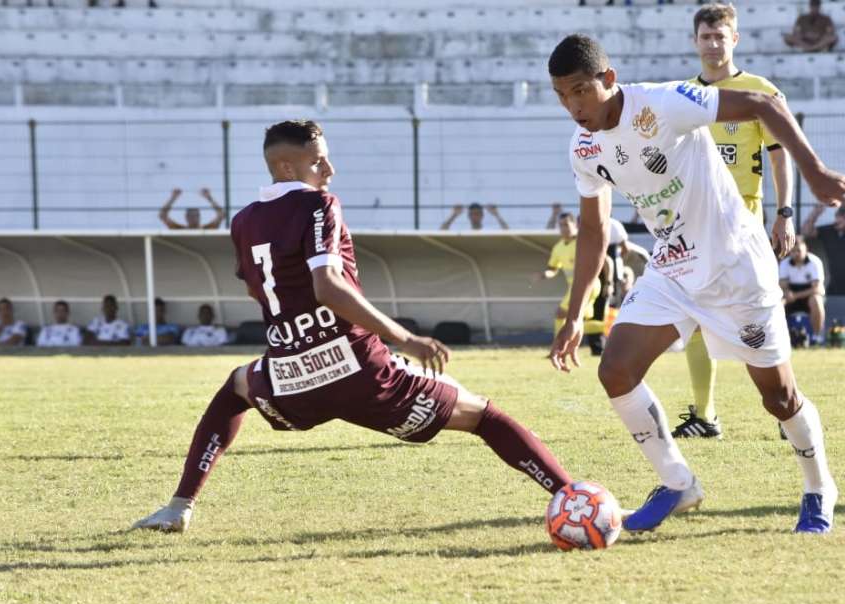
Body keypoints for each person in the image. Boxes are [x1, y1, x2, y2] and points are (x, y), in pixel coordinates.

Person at [132, 119, 575, 533]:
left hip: (291, 374)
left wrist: (295, 327)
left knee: (235, 389)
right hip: (361, 371)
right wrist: (404, 337)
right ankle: (572, 499)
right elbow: (327, 285)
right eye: (318, 160)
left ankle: (179, 507)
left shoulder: (243, 220)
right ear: (287, 166)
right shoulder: (318, 203)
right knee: (485, 416)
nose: (330, 168)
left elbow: (254, 287)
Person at [547, 34, 845, 533]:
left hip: (736, 268)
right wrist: (575, 313)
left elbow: (764, 103)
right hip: (672, 270)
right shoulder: (584, 147)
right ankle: (680, 483)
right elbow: (592, 229)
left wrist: (815, 172)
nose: (572, 106)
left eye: (579, 91)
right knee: (615, 370)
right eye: (561, 96)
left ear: (608, 80)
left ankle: (819, 486)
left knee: (779, 398)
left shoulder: (665, 103)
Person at [671, 3, 798, 440]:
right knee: (692, 316)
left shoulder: (759, 91)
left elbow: (781, 157)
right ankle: (705, 416)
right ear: (695, 41)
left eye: (719, 36)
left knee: (758, 318)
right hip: (694, 227)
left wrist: (784, 213)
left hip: (744, 223)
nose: (712, 44)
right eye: (705, 36)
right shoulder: (681, 95)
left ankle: (788, 410)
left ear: (734, 39)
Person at [531, 210, 608, 354]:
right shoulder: (558, 247)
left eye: (566, 224)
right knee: (579, 318)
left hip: (588, 285)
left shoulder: (583, 242)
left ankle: (558, 347)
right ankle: (609, 330)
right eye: (560, 225)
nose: (563, 228)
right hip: (574, 287)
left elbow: (606, 261)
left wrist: (608, 283)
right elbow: (553, 268)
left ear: (575, 225)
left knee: (561, 313)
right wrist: (543, 275)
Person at [801, 204, 845, 295]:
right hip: (837, 284)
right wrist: (814, 214)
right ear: (836, 216)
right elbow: (805, 232)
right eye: (840, 215)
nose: (841, 218)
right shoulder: (829, 230)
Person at [779, 241, 826, 344]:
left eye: (799, 251)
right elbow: (783, 285)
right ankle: (779, 338)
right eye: (793, 251)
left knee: (817, 300)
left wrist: (795, 295)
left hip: (809, 297)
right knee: (778, 305)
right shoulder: (784, 264)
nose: (796, 254)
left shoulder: (815, 262)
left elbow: (817, 289)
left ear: (806, 250)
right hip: (791, 297)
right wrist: (787, 293)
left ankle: (816, 337)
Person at [159, 188, 225, 230]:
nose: (193, 218)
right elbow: (163, 216)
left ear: (199, 216)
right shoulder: (180, 230)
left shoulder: (207, 229)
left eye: (196, 215)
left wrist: (209, 198)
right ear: (186, 217)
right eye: (191, 216)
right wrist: (173, 198)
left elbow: (221, 215)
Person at [439, 202, 510, 231]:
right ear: (468, 216)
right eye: (472, 214)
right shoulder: (463, 232)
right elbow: (442, 231)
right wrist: (453, 215)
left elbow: (507, 232)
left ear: (482, 216)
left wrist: (497, 215)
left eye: (477, 214)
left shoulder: (488, 231)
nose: (475, 216)